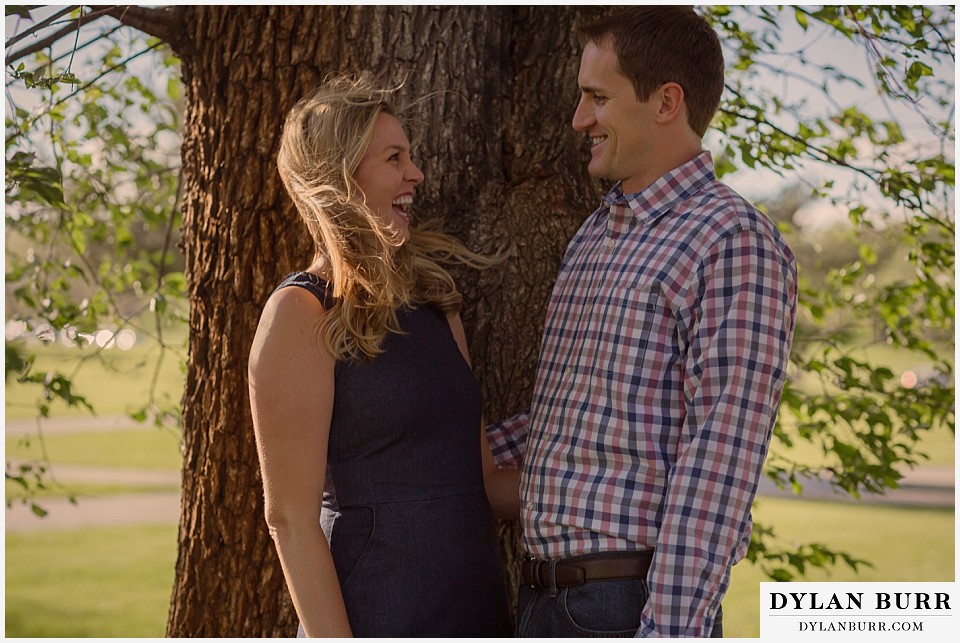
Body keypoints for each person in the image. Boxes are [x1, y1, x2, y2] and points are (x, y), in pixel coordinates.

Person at [488, 7, 799, 638]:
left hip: (626, 606)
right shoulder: (596, 235)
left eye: (598, 97)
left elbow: (717, 468)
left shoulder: (732, 241)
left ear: (666, 102)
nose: (580, 119)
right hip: (540, 602)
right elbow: (577, 425)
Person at [248, 72, 516, 637]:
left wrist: (609, 489)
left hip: (478, 611)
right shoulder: (301, 312)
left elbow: (484, 480)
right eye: (395, 157)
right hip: (378, 612)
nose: (415, 173)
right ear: (343, 176)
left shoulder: (437, 306)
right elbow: (290, 520)